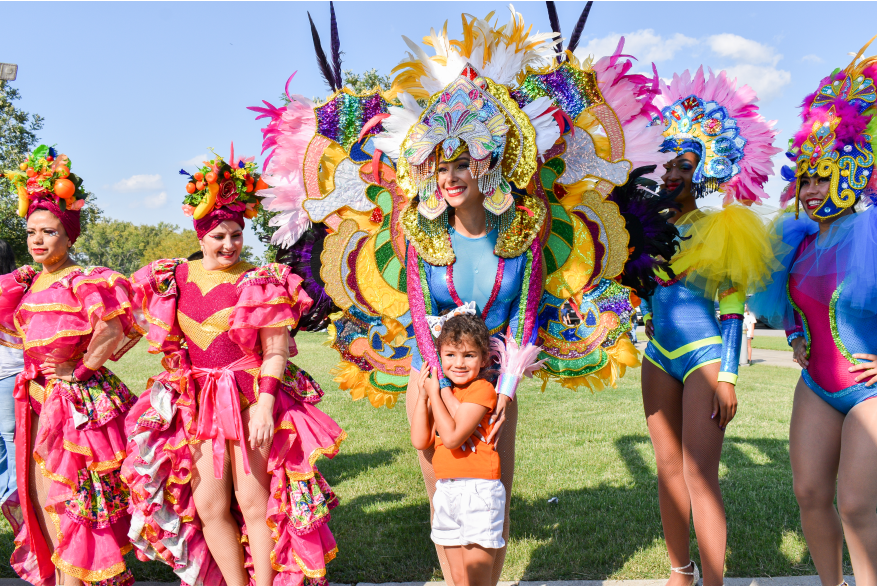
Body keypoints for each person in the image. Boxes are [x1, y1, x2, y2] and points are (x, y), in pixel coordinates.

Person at [250, 6, 677, 583]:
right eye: (439, 167)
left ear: (486, 168)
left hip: (495, 386)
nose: (449, 178)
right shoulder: (422, 236)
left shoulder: (521, 235)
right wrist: (436, 387)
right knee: (445, 507)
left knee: (490, 511)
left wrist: (500, 393)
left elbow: (524, 318)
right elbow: (421, 317)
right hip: (429, 381)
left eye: (461, 166)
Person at [123, 146, 345, 586]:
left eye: (236, 235)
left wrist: (264, 407)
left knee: (254, 502)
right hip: (199, 404)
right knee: (208, 505)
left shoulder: (261, 280)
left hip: (249, 398)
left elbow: (276, 351)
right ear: (200, 235)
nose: (228, 245)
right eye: (218, 236)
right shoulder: (173, 279)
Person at [639, 68, 780, 585]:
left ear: (706, 171)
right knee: (669, 472)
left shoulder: (723, 226)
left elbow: (732, 307)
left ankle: (714, 582)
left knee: (701, 476)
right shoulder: (642, 230)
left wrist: (729, 376)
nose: (672, 173)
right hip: (657, 356)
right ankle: (680, 572)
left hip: (704, 357)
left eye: (685, 164)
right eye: (666, 162)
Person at [750, 40, 877, 586]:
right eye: (805, 177)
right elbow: (793, 304)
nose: (812, 188)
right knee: (809, 495)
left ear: (851, 172)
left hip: (869, 391)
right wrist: (798, 335)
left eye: (824, 175)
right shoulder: (797, 241)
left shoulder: (871, 232)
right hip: (818, 386)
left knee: (854, 503)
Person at [0, 145, 141, 585]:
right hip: (34, 398)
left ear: (69, 236)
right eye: (31, 232)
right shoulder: (24, 283)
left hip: (76, 403)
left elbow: (113, 329)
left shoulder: (85, 280)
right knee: (40, 499)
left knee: (74, 499)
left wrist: (79, 370)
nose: (38, 241)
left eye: (49, 232)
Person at [411, 313, 504, 586]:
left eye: (469, 355)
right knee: (459, 579)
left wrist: (438, 392)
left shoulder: (482, 389)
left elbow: (451, 437)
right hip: (447, 490)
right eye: (450, 355)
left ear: (485, 358)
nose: (459, 364)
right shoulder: (441, 394)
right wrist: (425, 395)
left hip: (479, 491)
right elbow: (420, 440)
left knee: (476, 580)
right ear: (439, 357)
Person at [0, 239, 23, 528]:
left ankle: (14, 496)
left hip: (8, 372)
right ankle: (10, 494)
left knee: (8, 438)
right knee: (8, 438)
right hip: (11, 371)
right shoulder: (20, 288)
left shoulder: (10, 290)